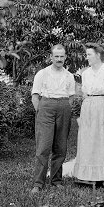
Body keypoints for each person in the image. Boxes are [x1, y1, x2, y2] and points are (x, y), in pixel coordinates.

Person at [73, 45, 104, 187]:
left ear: (98, 55)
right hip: (88, 108)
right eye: (87, 54)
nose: (87, 57)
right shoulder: (86, 73)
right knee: (88, 141)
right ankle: (88, 176)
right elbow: (83, 93)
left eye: (89, 54)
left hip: (103, 107)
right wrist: (81, 114)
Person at [30, 44, 76, 194]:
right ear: (51, 57)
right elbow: (35, 96)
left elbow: (71, 97)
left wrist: (65, 108)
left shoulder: (69, 76)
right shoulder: (42, 74)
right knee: (43, 147)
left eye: (62, 56)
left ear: (65, 57)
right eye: (56, 56)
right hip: (46, 107)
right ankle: (38, 183)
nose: (59, 59)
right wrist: (41, 111)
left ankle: (56, 180)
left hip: (63, 107)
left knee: (60, 147)